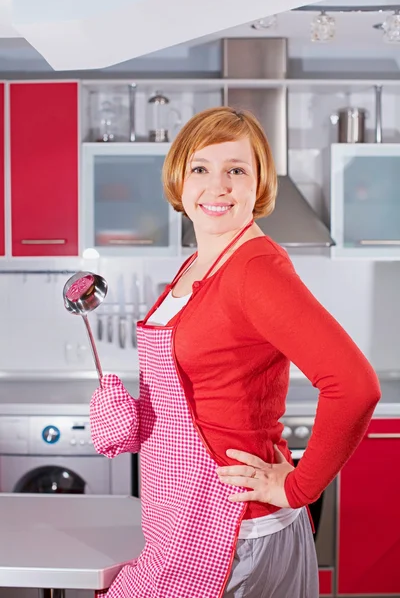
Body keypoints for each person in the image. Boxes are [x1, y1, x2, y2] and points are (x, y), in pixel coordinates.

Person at [90, 106, 381, 598]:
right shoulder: (201, 263)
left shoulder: (254, 269)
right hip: (182, 518)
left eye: (236, 170)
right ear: (180, 179)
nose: (217, 185)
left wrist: (297, 488)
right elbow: (201, 391)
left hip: (234, 530)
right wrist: (136, 416)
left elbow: (354, 386)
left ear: (258, 184)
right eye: (201, 168)